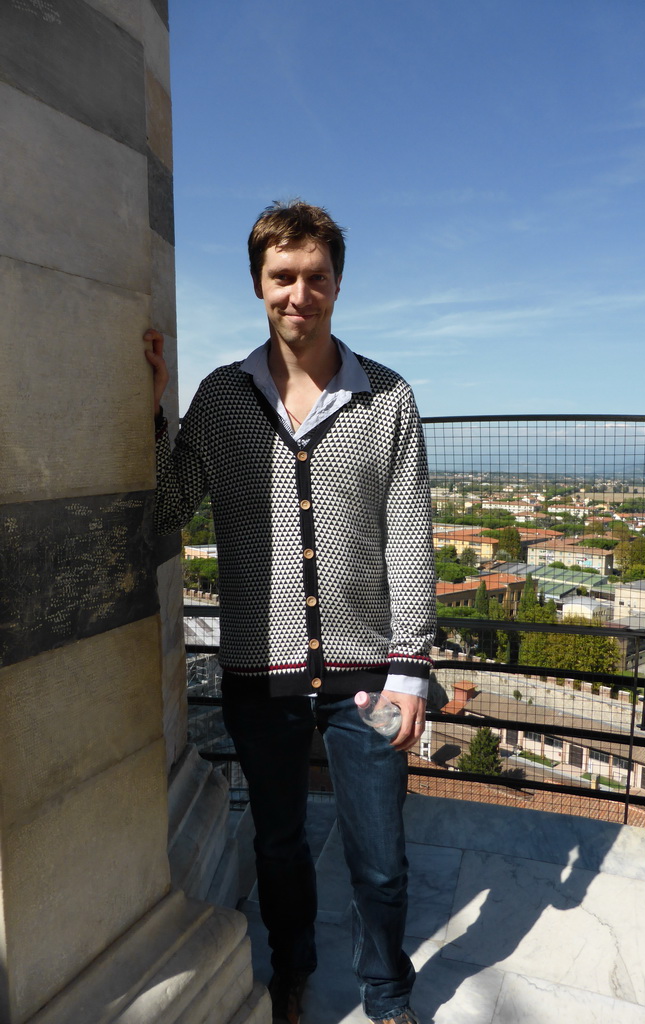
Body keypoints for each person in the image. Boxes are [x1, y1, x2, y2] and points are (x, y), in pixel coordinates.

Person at [144, 199, 436, 1024]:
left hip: (371, 681)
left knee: (381, 858)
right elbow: (170, 507)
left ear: (337, 283)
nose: (298, 293)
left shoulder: (387, 399)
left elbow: (410, 538)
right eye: (282, 277)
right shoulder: (224, 400)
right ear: (258, 285)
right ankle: (293, 974)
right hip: (256, 678)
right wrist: (154, 409)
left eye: (314, 277)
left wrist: (412, 670)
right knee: (277, 847)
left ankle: (387, 996)